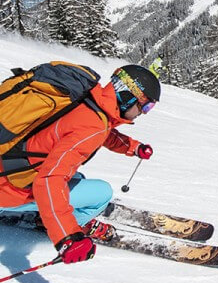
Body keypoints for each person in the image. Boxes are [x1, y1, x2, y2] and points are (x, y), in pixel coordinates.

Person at [0, 64, 160, 264]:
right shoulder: (93, 126)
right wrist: (67, 236)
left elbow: (102, 133)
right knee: (102, 193)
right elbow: (50, 179)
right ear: (127, 95)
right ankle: (64, 223)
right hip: (8, 188)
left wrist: (133, 147)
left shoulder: (87, 100)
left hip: (8, 165)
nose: (144, 112)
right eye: (146, 106)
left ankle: (44, 214)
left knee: (79, 179)